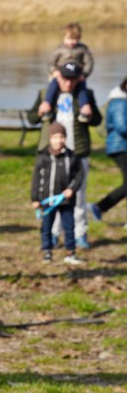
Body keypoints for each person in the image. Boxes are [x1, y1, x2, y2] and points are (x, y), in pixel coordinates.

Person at [27, 63, 102, 250]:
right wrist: (40, 111)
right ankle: (52, 234)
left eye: (73, 79)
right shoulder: (46, 94)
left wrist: (90, 114)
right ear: (57, 77)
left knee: (78, 196)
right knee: (53, 195)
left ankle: (80, 234)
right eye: (65, 79)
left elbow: (98, 120)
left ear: (79, 79)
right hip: (52, 155)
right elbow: (32, 118)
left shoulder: (85, 95)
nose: (68, 83)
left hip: (77, 154)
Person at [31, 122, 83, 265]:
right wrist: (35, 199)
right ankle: (47, 251)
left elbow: (79, 175)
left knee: (69, 226)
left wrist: (71, 189)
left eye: (61, 137)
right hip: (48, 200)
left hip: (66, 201)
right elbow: (36, 179)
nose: (58, 140)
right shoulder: (43, 157)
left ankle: (70, 252)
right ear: (50, 138)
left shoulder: (72, 157)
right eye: (55, 137)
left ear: (65, 138)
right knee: (46, 226)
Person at [39, 22, 94, 122]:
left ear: (79, 38)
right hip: (60, 74)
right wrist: (54, 71)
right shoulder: (59, 50)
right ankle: (47, 105)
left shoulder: (82, 49)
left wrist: (84, 74)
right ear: (64, 38)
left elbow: (89, 63)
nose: (72, 42)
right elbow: (51, 62)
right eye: (69, 39)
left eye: (75, 39)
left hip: (77, 75)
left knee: (82, 88)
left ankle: (84, 108)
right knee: (53, 86)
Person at [90, 76, 127, 223]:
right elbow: (122, 127)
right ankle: (99, 207)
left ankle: (100, 207)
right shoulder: (119, 102)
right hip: (120, 147)